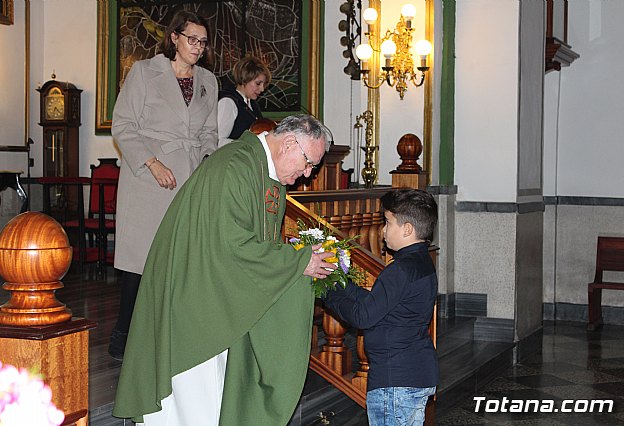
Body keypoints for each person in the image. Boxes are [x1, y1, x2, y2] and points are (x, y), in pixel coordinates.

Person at [112, 115, 337, 425]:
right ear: (288, 143)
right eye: (309, 162)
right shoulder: (235, 167)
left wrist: (293, 260)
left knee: (209, 400)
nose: (309, 174)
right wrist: (298, 261)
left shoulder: (260, 172)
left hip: (217, 294)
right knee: (194, 402)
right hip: (196, 301)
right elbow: (231, 245)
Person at [108, 10, 218, 361]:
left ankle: (166, 335)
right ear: (174, 37)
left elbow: (209, 134)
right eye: (192, 39)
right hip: (147, 177)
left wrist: (205, 162)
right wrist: (152, 162)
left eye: (203, 41)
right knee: (140, 259)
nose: (198, 47)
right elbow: (123, 126)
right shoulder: (144, 72)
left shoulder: (208, 82)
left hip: (188, 178)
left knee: (179, 260)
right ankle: (123, 335)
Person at [322, 189, 439, 426]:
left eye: (387, 222)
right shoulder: (421, 263)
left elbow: (363, 316)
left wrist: (326, 292)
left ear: (407, 229)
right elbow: (376, 303)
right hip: (416, 373)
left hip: (395, 380)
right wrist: (339, 281)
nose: (383, 230)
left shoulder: (400, 269)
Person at [217, 55, 271, 146]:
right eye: (258, 83)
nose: (262, 89)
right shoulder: (228, 102)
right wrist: (249, 144)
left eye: (263, 84)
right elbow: (219, 141)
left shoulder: (251, 103)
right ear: (244, 79)